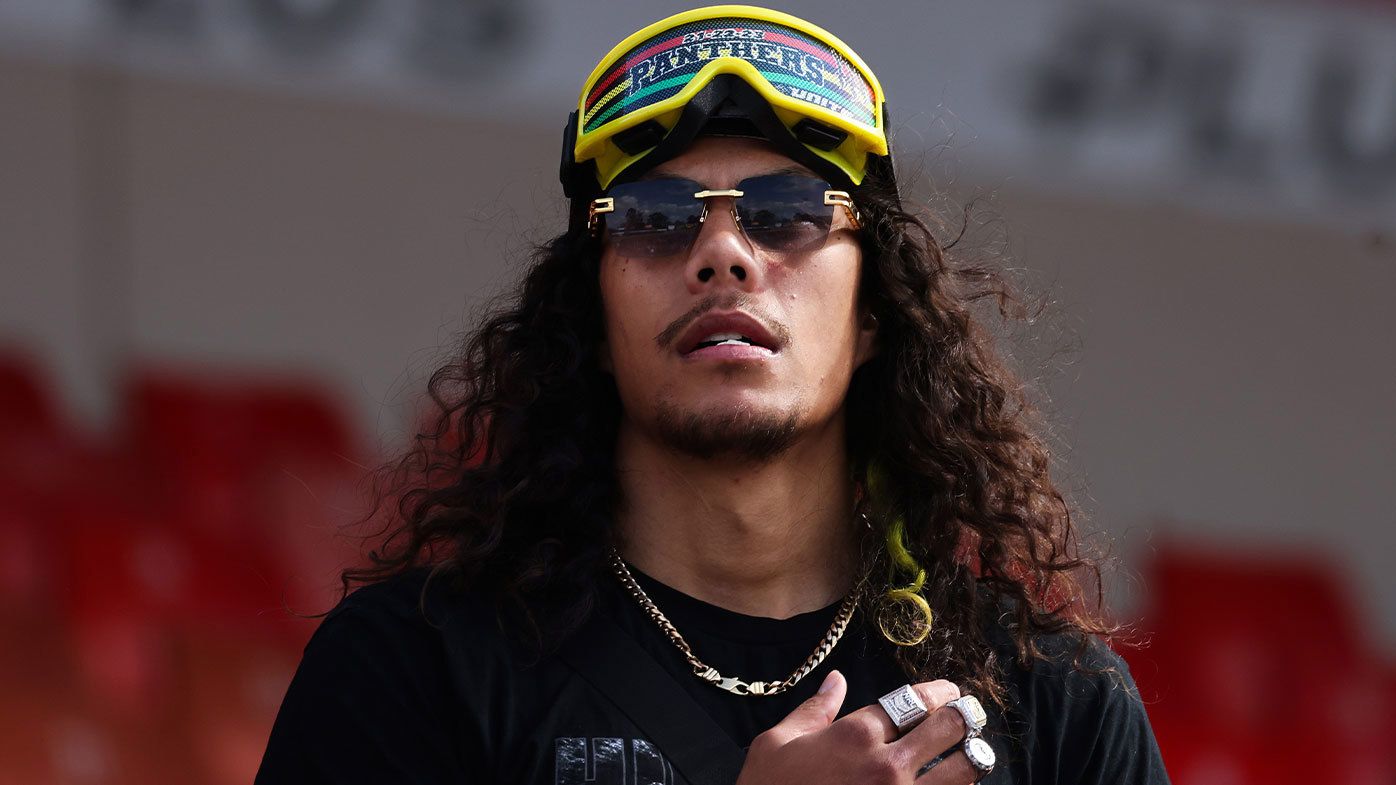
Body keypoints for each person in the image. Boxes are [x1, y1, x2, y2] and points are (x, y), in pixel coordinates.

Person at [255, 6, 1169, 784]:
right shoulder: (413, 665)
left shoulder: (1054, 700)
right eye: (656, 219)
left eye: (788, 212)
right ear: (593, 328)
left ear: (871, 319)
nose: (723, 252)